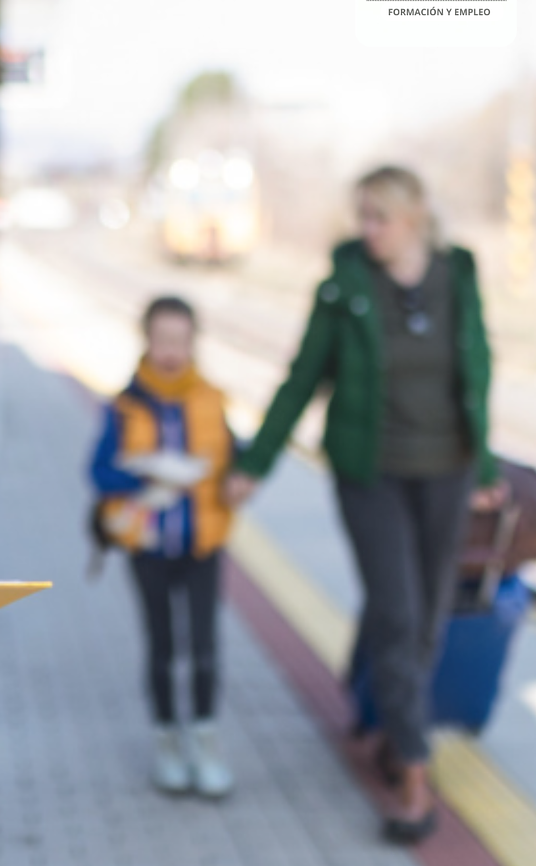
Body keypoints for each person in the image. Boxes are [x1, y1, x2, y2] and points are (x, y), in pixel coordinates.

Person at [226, 166, 502, 844]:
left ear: (414, 218)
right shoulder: (345, 283)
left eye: (379, 218)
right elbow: (303, 376)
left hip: (448, 471)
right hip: (369, 472)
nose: (368, 231)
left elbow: (479, 368)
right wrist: (256, 462)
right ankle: (411, 769)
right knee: (401, 612)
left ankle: (385, 714)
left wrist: (487, 464)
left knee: (425, 618)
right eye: (363, 218)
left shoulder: (457, 274)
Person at [90, 296, 235, 798]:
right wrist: (143, 469)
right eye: (161, 339)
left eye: (181, 339)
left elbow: (232, 462)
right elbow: (98, 470)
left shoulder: (213, 399)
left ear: (194, 342)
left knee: (204, 648)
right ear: (145, 340)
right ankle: (168, 743)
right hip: (148, 547)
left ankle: (206, 742)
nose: (171, 350)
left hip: (203, 545)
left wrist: (237, 480)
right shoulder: (125, 406)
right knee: (162, 647)